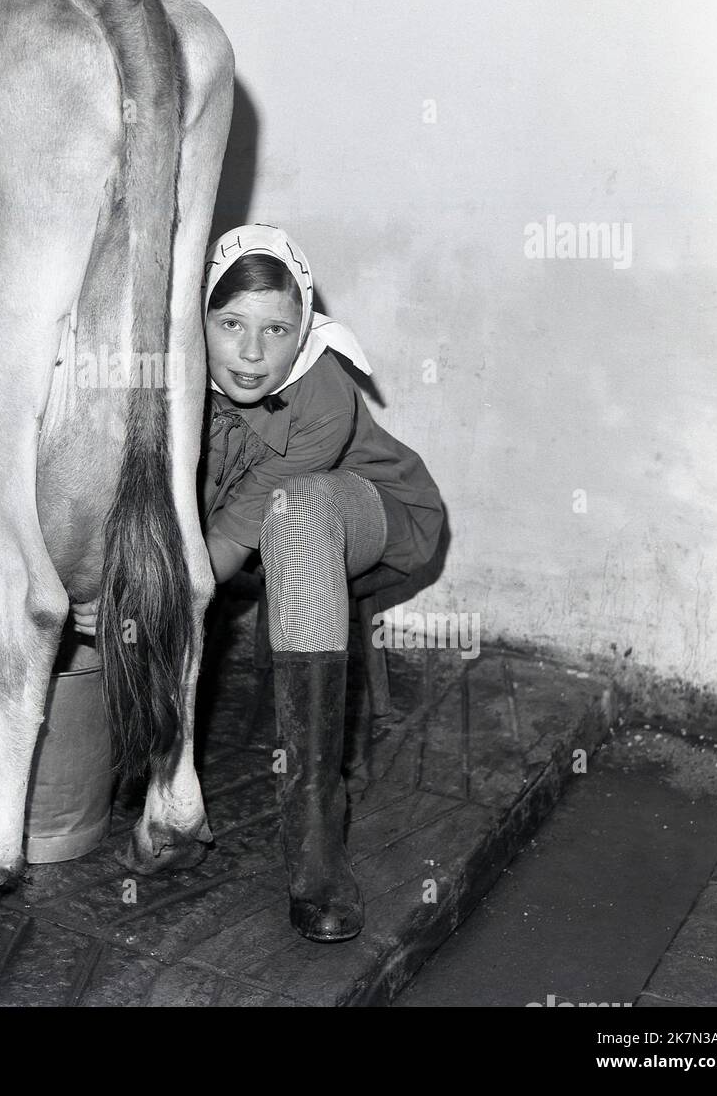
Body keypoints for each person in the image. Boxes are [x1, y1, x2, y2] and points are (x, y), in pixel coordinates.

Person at [76, 222, 444, 943]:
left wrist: (125, 603)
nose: (251, 352)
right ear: (197, 320)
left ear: (302, 327)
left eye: (277, 329)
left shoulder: (323, 394)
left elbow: (214, 558)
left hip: (371, 514)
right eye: (230, 323)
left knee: (296, 511)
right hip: (260, 541)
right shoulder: (160, 377)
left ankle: (315, 832)